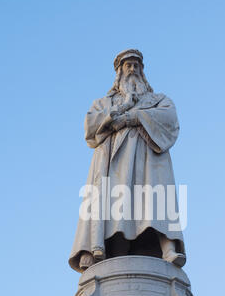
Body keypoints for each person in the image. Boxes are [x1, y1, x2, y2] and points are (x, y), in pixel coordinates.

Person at [69, 49, 186, 272]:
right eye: (128, 66)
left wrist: (135, 116)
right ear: (119, 72)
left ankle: (168, 246)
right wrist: (121, 109)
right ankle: (112, 253)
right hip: (112, 159)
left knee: (155, 198)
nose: (132, 69)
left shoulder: (158, 99)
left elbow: (170, 120)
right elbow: (90, 128)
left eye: (136, 66)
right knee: (116, 204)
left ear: (142, 71)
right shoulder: (103, 103)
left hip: (148, 156)